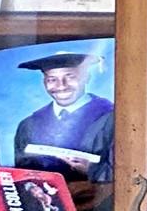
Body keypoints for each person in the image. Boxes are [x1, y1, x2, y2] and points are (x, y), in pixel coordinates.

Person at [12, 51, 114, 183]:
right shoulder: (28, 125)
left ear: (86, 77)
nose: (61, 86)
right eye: (52, 79)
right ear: (44, 83)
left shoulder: (112, 118)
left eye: (70, 77)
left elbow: (131, 173)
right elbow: (22, 176)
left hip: (99, 201)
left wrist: (92, 170)